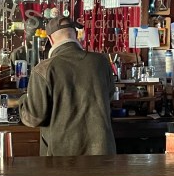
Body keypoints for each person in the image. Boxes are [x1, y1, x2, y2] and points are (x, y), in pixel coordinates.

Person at [20, 15, 116, 156]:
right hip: (102, 152)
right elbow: (109, 96)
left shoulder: (43, 69)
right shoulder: (101, 62)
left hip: (62, 157)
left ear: (50, 39)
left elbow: (34, 118)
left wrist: (22, 101)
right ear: (76, 35)